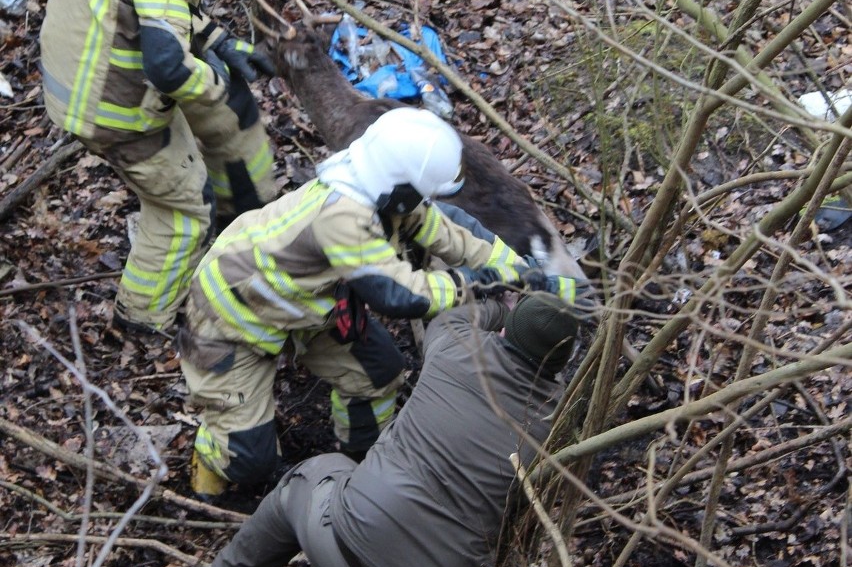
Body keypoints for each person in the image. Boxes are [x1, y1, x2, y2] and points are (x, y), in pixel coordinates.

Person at [189, 290, 581, 567]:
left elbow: (458, 315)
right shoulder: (557, 423)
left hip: (340, 541)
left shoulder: (456, 347)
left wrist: (498, 306)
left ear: (507, 329)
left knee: (312, 474)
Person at [178, 106, 582, 498]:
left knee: (378, 374)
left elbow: (454, 235)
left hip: (304, 305)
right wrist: (472, 283)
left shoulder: (385, 193)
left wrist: (523, 272)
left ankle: (360, 461)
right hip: (230, 316)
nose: (426, 203)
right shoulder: (344, 216)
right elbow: (399, 294)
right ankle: (209, 470)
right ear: (401, 185)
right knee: (249, 460)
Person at [39, 0, 277, 336]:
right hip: (115, 113)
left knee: (190, 162)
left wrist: (218, 42)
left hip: (73, 84)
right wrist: (215, 84)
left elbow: (146, 9)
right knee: (186, 208)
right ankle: (141, 319)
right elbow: (166, 66)